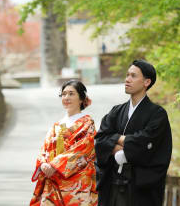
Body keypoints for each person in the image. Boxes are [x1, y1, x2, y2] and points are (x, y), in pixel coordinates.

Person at [94, 60, 172, 206]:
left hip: (139, 188)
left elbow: (145, 143)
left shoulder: (157, 114)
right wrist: (118, 148)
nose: (127, 79)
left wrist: (116, 138)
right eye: (127, 75)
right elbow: (100, 140)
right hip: (112, 184)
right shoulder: (116, 111)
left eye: (133, 76)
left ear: (146, 82)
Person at [30, 80, 98, 206]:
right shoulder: (57, 125)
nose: (66, 97)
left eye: (71, 94)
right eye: (64, 94)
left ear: (81, 98)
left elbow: (82, 149)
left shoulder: (87, 123)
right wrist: (44, 164)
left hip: (78, 182)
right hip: (52, 179)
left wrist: (55, 166)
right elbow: (45, 149)